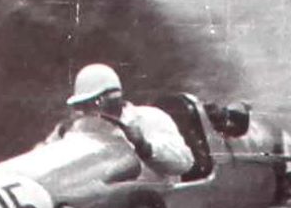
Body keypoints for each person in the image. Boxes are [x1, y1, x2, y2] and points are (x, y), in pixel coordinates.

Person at [47, 64, 195, 177]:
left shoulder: (149, 118)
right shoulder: (74, 128)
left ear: (115, 97)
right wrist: (62, 134)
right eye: (84, 104)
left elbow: (184, 163)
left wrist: (144, 146)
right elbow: (44, 158)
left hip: (154, 199)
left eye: (97, 102)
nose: (91, 109)